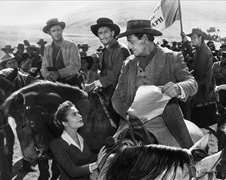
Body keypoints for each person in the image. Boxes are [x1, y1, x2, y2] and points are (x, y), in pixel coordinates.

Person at [112, 20, 198, 148]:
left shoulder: (172, 58)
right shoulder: (128, 64)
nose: (129, 46)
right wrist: (127, 115)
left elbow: (192, 83)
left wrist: (178, 88)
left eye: (131, 41)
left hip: (165, 123)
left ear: (145, 39)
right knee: (108, 160)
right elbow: (117, 98)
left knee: (185, 159)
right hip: (131, 124)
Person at [48, 101, 106, 180]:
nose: (80, 116)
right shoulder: (57, 144)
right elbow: (72, 170)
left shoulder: (83, 136)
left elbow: (100, 146)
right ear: (65, 123)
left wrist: (116, 140)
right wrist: (96, 164)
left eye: (78, 113)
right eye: (74, 114)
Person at [86, 17, 130, 92]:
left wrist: (94, 84)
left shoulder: (121, 50)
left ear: (112, 33)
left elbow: (115, 76)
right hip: (106, 89)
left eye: (106, 32)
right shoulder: (104, 51)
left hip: (119, 93)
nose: (103, 36)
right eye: (100, 33)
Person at [186, 28, 216, 127]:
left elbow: (198, 72)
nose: (192, 40)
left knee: (184, 98)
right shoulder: (199, 49)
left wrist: (186, 77)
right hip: (200, 79)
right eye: (191, 38)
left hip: (203, 84)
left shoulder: (204, 52)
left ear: (200, 38)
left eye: (194, 38)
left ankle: (189, 124)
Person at [41, 18, 81, 83]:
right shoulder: (47, 49)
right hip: (53, 81)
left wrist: (59, 73)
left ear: (62, 30)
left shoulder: (72, 45)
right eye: (53, 31)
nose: (57, 33)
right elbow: (44, 67)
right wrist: (47, 75)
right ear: (49, 33)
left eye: (58, 30)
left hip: (70, 81)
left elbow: (75, 66)